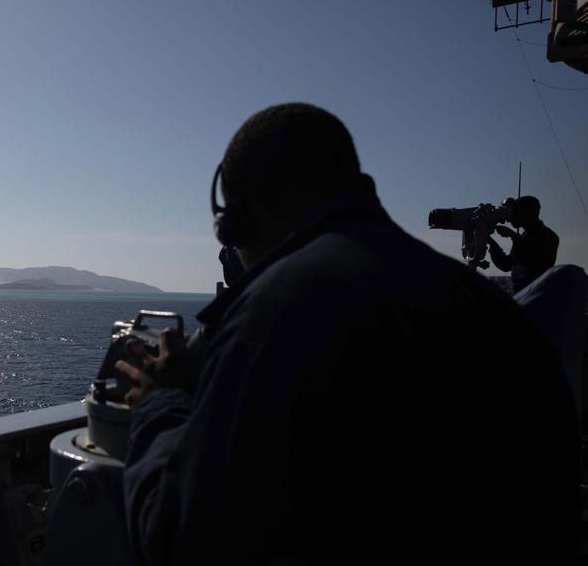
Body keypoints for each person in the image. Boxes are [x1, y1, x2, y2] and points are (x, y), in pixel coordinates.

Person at [116, 104, 578, 564]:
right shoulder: (497, 312)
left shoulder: (274, 318)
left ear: (235, 221)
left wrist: (161, 400)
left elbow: (180, 544)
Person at [487, 195, 560, 293]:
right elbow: (506, 265)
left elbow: (531, 261)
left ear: (528, 213)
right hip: (519, 293)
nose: (513, 216)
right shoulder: (524, 237)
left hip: (535, 295)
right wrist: (491, 243)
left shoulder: (548, 236)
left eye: (517, 211)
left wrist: (513, 236)